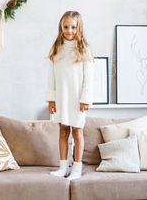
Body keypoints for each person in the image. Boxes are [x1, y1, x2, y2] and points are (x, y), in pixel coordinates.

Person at [46, 11, 94, 181]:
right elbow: (51, 76)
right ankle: (62, 167)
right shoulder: (56, 48)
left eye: (73, 27)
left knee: (77, 132)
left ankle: (77, 168)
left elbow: (89, 78)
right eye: (66, 27)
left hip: (77, 99)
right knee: (62, 131)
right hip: (61, 98)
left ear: (79, 27)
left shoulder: (84, 49)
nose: (69, 30)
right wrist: (51, 99)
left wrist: (85, 99)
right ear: (61, 27)